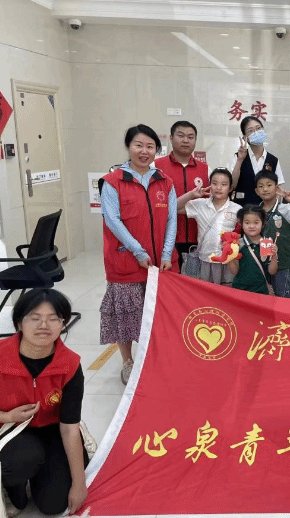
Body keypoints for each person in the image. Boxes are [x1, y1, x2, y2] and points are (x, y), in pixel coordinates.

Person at [0, 289, 87, 516]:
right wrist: (6, 416)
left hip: (49, 431)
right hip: (0, 429)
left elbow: (69, 427)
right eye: (35, 318)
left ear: (63, 324)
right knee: (25, 457)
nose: (44, 325)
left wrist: (79, 484)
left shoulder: (70, 364)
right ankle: (12, 486)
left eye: (53, 319)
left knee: (54, 505)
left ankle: (38, 473)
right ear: (20, 323)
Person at [99, 124, 179, 384]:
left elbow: (171, 219)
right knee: (126, 315)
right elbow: (113, 220)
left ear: (157, 150)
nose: (144, 151)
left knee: (160, 314)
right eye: (139, 145)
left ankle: (157, 358)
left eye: (150, 146)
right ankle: (128, 361)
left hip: (162, 264)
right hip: (126, 261)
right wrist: (138, 251)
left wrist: (166, 253)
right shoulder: (113, 182)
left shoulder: (165, 182)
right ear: (128, 147)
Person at [154, 120, 209, 272]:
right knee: (168, 281)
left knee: (193, 282)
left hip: (197, 238)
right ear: (171, 138)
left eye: (190, 137)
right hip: (165, 238)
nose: (186, 140)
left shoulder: (205, 169)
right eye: (181, 136)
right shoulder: (156, 167)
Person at [177, 168, 241, 285]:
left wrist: (235, 244)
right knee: (203, 292)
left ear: (230, 188)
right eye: (214, 183)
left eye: (224, 184)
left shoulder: (237, 209)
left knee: (225, 292)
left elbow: (244, 233)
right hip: (204, 259)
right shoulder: (200, 204)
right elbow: (173, 208)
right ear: (209, 185)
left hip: (227, 261)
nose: (218, 187)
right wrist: (191, 194)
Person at [256, 169, 290, 298]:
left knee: (283, 303)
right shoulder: (255, 211)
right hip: (260, 266)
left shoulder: (285, 209)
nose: (265, 189)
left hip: (283, 266)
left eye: (269, 185)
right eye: (261, 186)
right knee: (262, 302)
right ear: (256, 191)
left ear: (276, 188)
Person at [231, 116, 285, 206]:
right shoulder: (238, 157)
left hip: (264, 210)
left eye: (258, 128)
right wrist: (240, 160)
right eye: (251, 131)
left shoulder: (273, 160)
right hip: (242, 208)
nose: (256, 133)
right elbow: (232, 185)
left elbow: (278, 190)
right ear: (245, 137)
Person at [228, 205, 279, 294]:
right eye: (247, 223)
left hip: (261, 291)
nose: (251, 226)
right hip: (239, 290)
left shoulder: (267, 244)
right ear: (241, 224)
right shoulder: (237, 244)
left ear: (263, 224)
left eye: (256, 223)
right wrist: (228, 255)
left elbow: (272, 271)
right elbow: (234, 271)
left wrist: (274, 256)